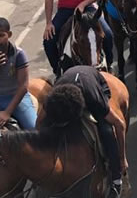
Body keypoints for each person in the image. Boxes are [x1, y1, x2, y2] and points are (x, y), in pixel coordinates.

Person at [49, 66, 127, 198]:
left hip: (93, 85)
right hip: (69, 87)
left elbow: (120, 125)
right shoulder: (52, 99)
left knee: (106, 130)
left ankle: (116, 179)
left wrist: (122, 157)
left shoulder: (94, 99)